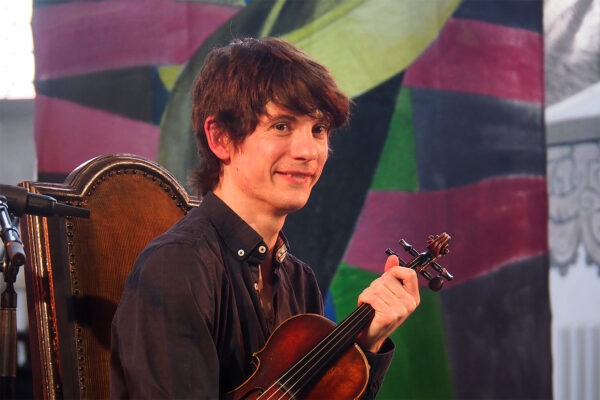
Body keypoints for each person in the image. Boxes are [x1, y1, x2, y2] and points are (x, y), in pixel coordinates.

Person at [110, 37, 420, 399]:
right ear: (221, 138)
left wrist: (366, 344)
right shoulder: (177, 266)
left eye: (318, 130)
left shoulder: (299, 280)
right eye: (282, 126)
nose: (308, 152)